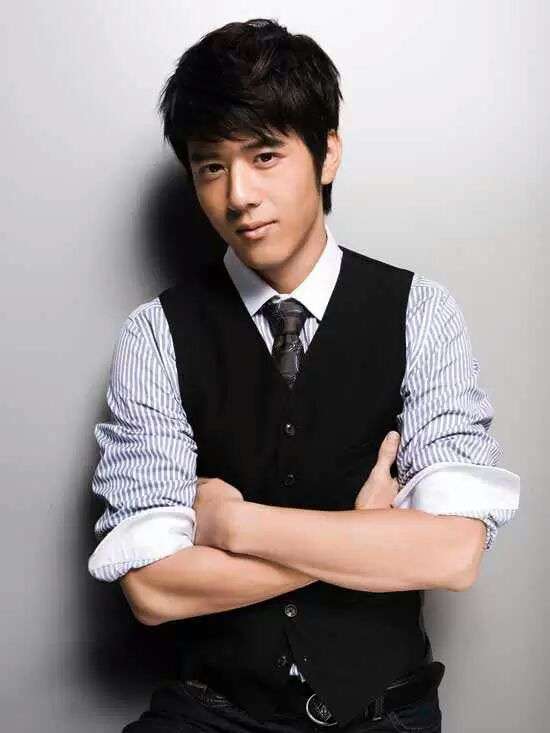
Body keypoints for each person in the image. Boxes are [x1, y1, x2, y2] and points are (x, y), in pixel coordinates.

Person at [87, 18, 520, 732]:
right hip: (214, 713)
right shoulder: (155, 334)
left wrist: (234, 524)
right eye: (210, 166)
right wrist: (364, 534)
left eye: (264, 156)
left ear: (327, 154)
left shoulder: (421, 312)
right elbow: (153, 589)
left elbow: (452, 552)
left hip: (383, 713)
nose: (238, 195)